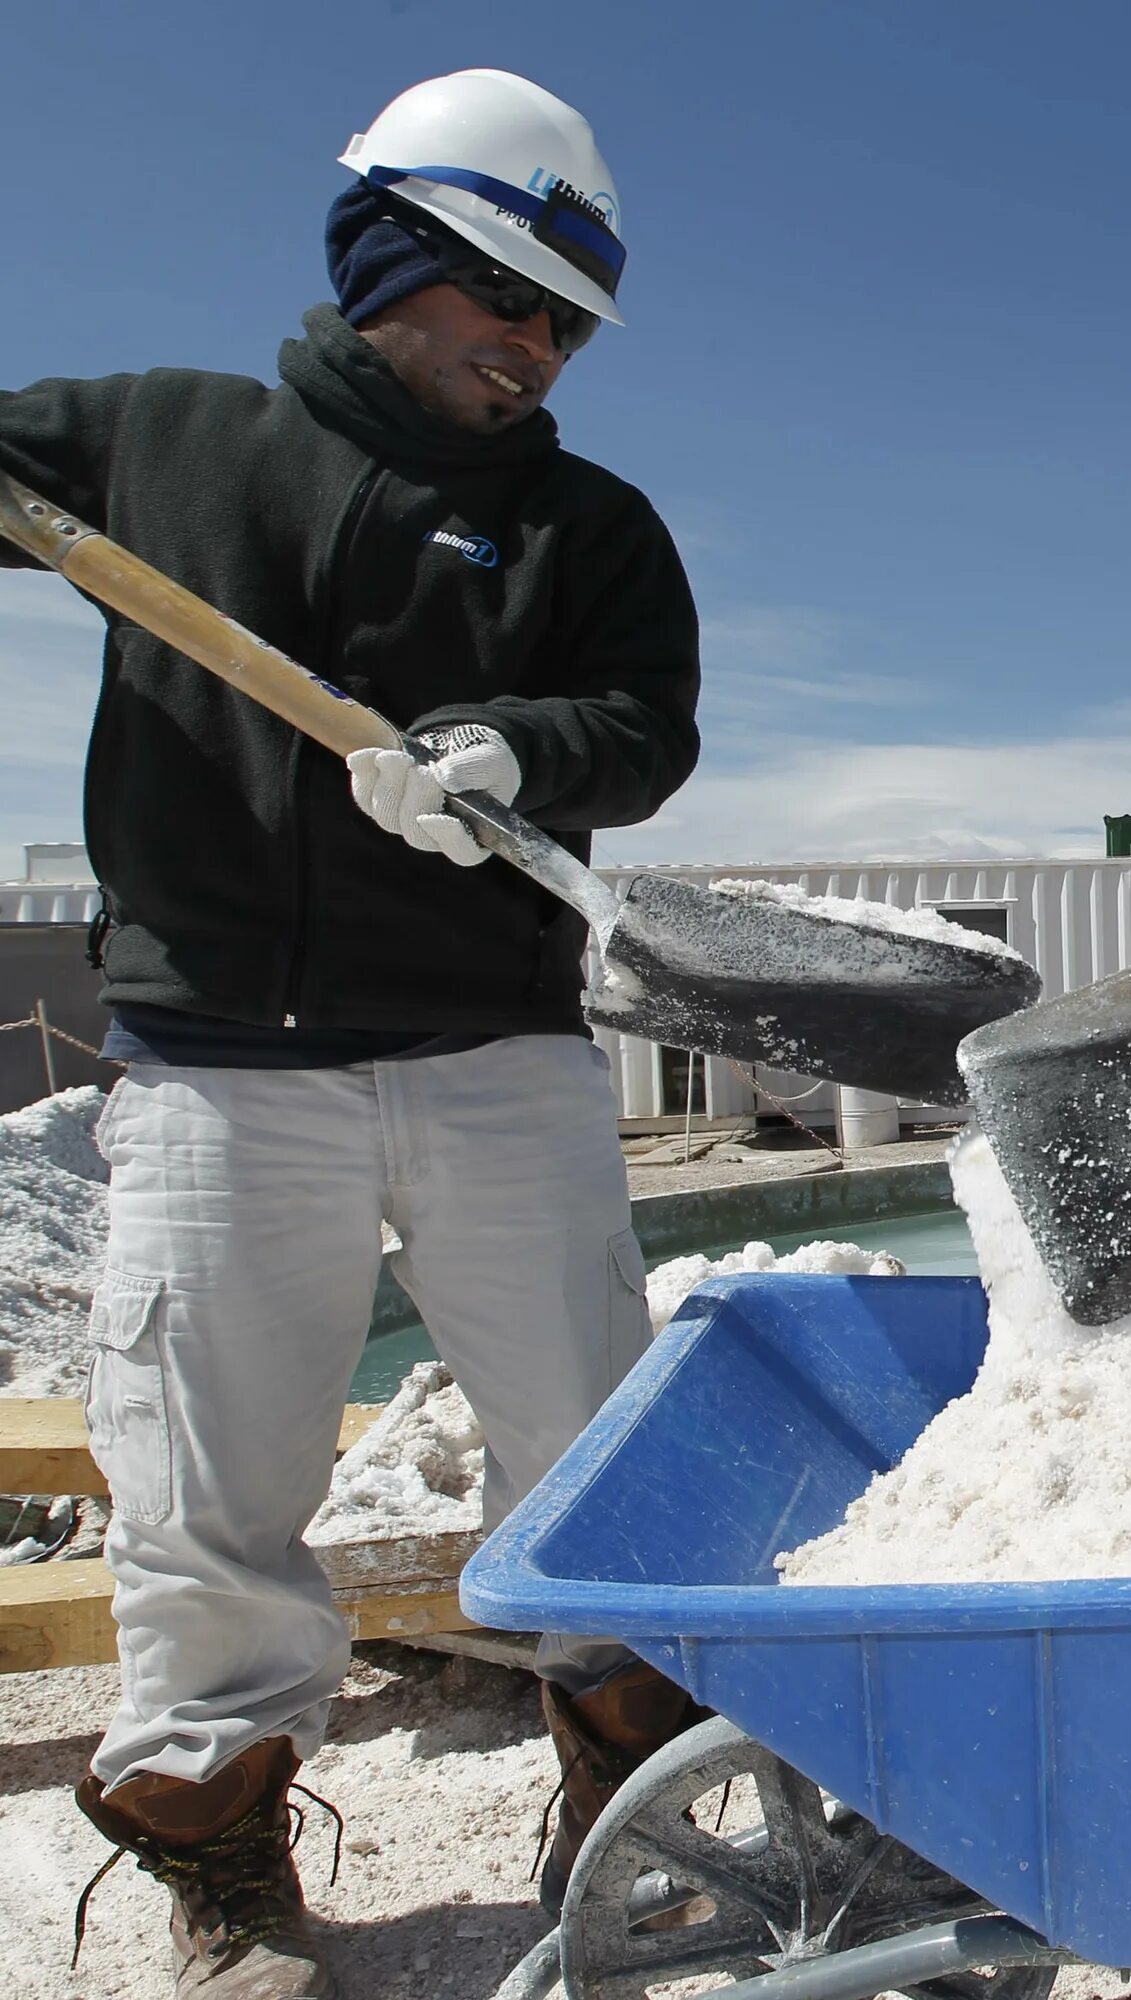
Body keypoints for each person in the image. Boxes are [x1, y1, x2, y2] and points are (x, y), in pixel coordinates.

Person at [1, 70, 710, 1997]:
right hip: (223, 1070)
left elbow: (647, 729)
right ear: (401, 258)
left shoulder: (589, 525)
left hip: (498, 1061)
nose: (544, 349)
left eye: (567, 323)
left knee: (587, 1450)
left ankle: (621, 1794)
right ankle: (227, 1868)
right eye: (517, 302)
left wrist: (519, 749)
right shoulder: (157, 446)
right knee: (205, 1481)